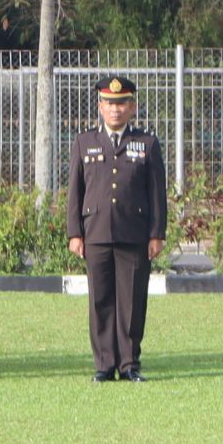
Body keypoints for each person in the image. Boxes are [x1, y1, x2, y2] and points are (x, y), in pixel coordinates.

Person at [66, 75, 170, 382]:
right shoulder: (85, 142)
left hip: (134, 232)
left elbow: (156, 193)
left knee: (132, 300)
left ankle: (128, 363)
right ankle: (104, 363)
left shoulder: (147, 143)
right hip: (95, 231)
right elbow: (75, 190)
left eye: (122, 103)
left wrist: (156, 233)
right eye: (109, 104)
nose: (115, 110)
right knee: (100, 300)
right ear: (99, 106)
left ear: (132, 107)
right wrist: (75, 232)